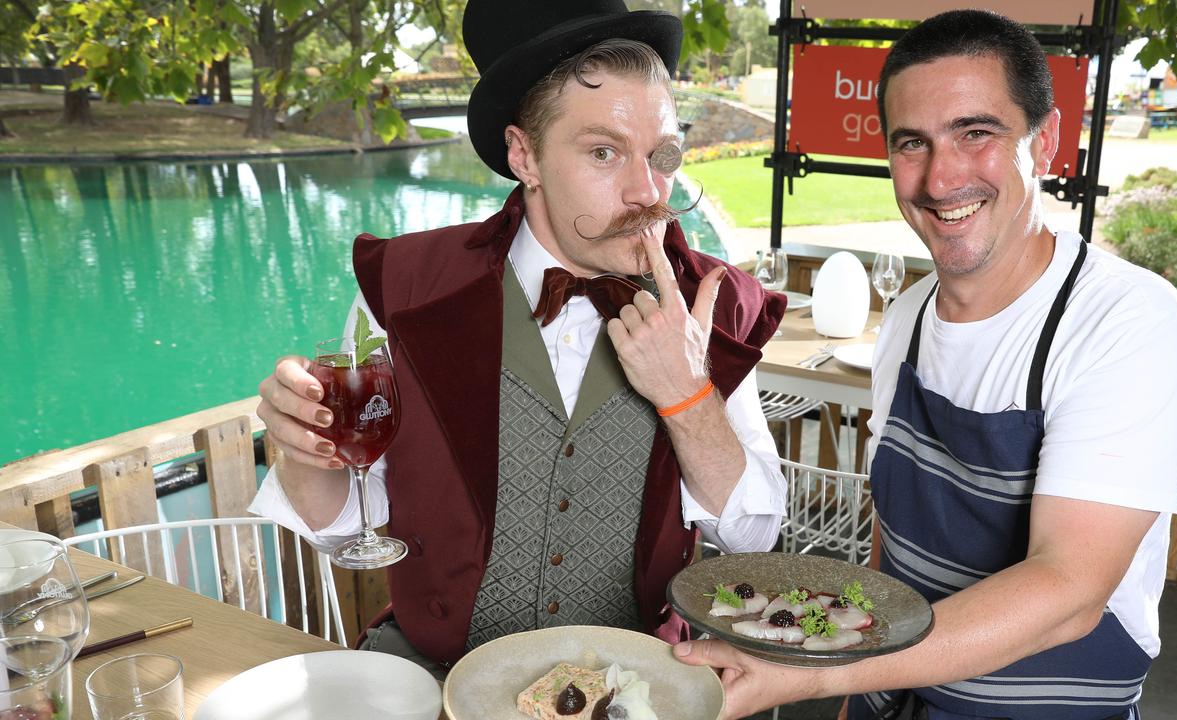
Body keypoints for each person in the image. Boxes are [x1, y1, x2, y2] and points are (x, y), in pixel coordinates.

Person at [674, 10, 1177, 720]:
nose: (940, 177)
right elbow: (896, 541)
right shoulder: (909, 316)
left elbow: (1068, 593)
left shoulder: (1124, 320)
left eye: (976, 133)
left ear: (1044, 144)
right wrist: (859, 692)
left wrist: (825, 674)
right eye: (911, 144)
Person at [249, 0, 787, 677]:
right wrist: (305, 448)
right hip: (429, 680)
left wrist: (687, 395)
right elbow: (339, 524)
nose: (647, 190)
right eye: (603, 152)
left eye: (663, 154)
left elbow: (751, 532)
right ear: (523, 155)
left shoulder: (716, 302)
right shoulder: (408, 286)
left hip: (635, 684)